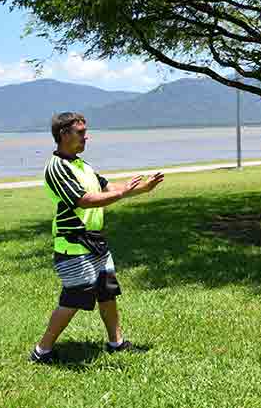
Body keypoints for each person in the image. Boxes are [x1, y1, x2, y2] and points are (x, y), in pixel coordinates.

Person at [30, 112, 164, 364]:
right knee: (73, 298)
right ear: (63, 135)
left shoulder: (84, 165)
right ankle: (41, 351)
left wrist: (141, 189)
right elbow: (84, 200)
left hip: (96, 244)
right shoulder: (57, 168)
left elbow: (107, 188)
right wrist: (123, 193)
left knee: (107, 293)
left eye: (85, 131)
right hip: (73, 245)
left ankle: (117, 343)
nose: (86, 136)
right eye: (80, 132)